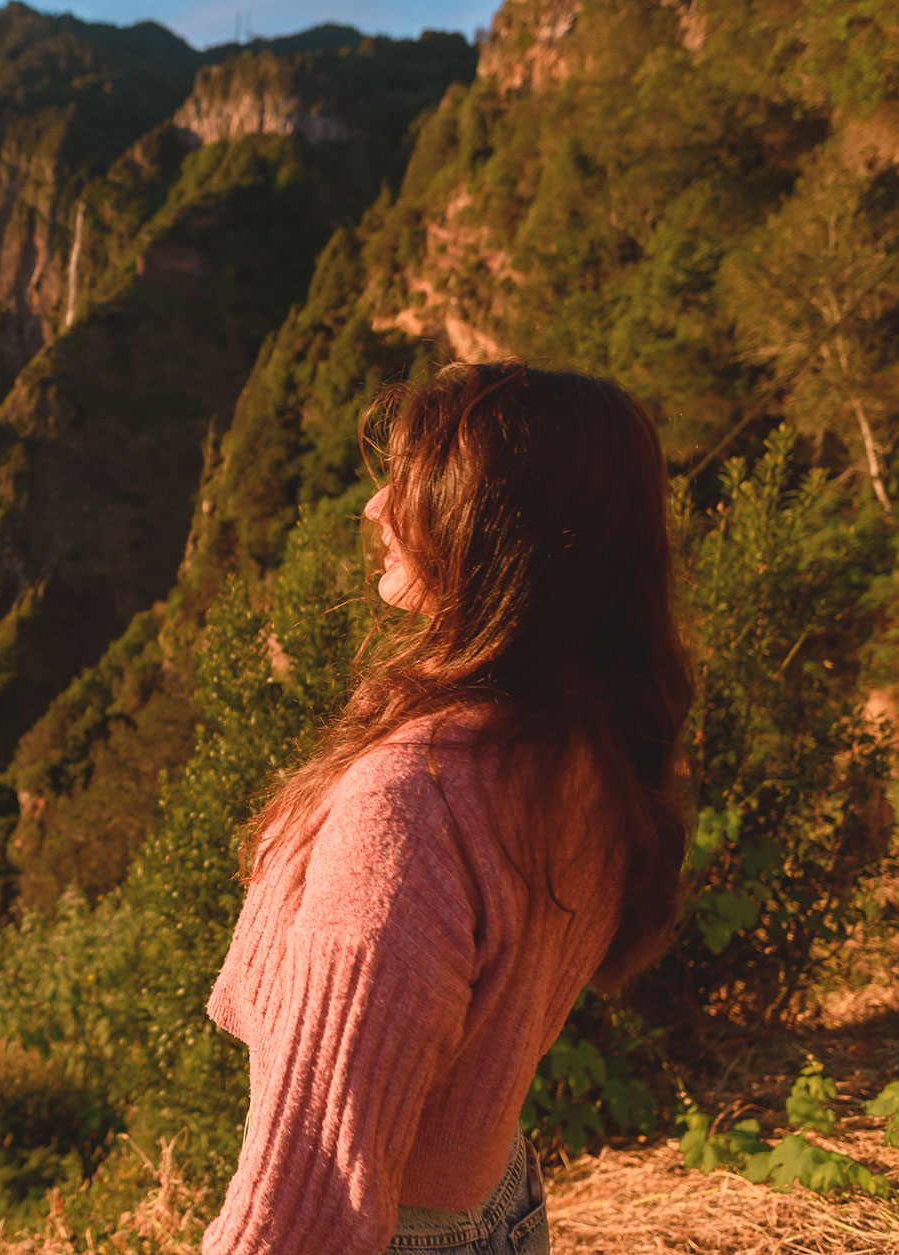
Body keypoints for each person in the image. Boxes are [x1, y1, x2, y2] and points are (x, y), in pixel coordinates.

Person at [201, 361, 693, 1255]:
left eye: (417, 486)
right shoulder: (585, 739)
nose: (375, 509)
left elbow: (311, 1184)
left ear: (503, 529)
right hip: (498, 1200)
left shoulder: (413, 803)